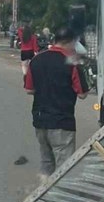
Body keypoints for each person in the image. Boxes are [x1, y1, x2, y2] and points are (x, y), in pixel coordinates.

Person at [24, 26, 89, 178]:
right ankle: (60, 200)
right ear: (71, 42)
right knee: (65, 168)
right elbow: (82, 94)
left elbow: (29, 89)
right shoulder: (72, 62)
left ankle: (41, 198)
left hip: (40, 121)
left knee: (47, 163)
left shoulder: (37, 59)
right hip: (61, 122)